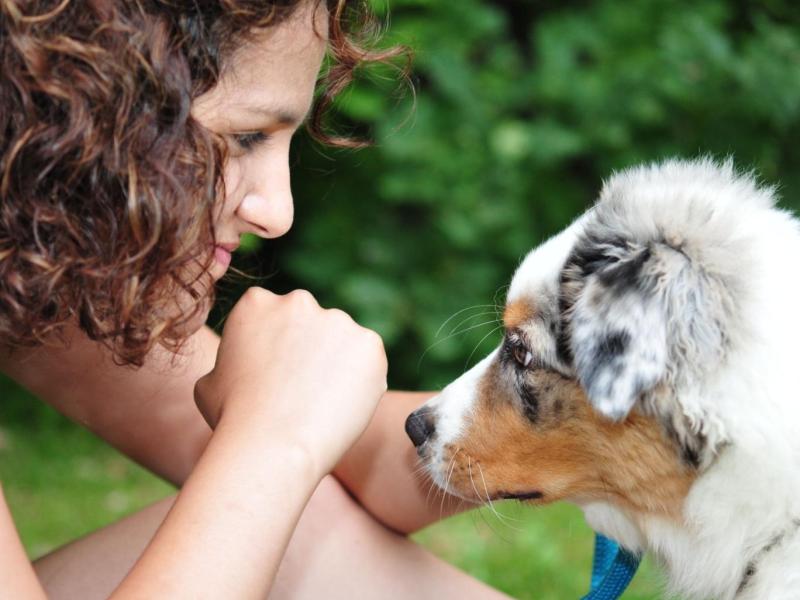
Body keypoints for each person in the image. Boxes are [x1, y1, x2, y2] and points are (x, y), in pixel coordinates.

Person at [0, 0, 510, 598]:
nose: (277, 212)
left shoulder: (43, 272)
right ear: (83, 97)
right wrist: (275, 442)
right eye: (245, 137)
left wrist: (556, 415)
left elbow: (359, 462)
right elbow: (268, 466)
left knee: (293, 527)